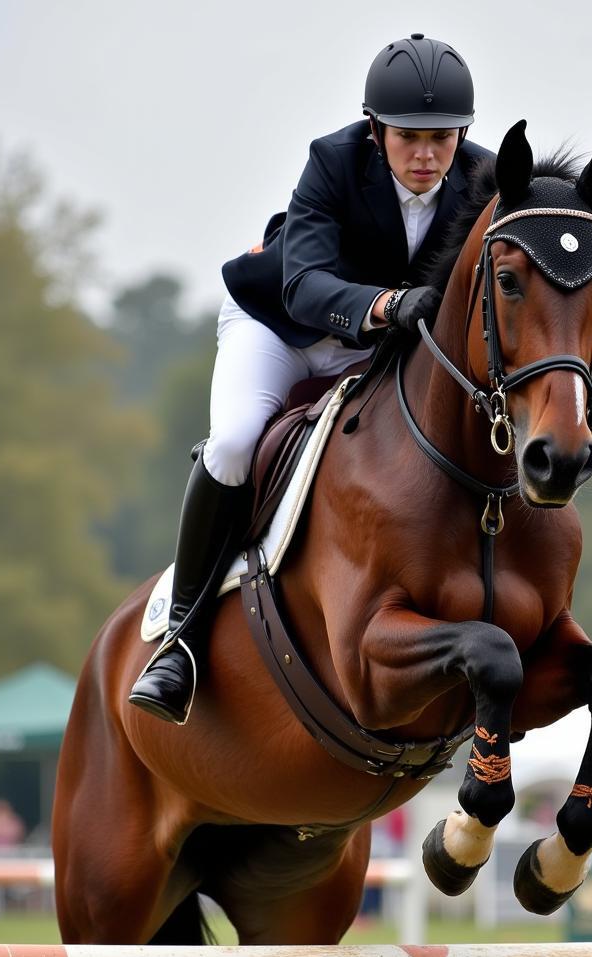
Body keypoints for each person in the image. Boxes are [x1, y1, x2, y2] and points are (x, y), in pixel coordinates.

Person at [129, 34, 493, 725]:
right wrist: (386, 305)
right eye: (409, 138)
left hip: (375, 349)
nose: (425, 156)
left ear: (464, 136)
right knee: (236, 442)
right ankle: (182, 639)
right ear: (376, 128)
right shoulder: (332, 161)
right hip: (281, 328)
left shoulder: (482, 181)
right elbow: (303, 287)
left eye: (442, 140)